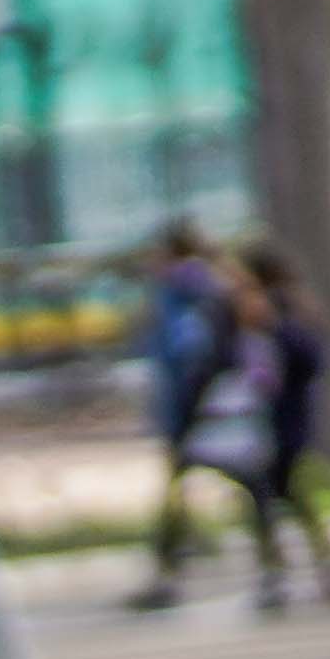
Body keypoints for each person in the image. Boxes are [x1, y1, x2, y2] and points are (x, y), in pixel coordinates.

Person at [180, 238, 330, 610]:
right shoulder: (236, 315)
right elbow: (223, 366)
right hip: (253, 427)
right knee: (265, 499)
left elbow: (307, 360)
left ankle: (320, 565)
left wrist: (271, 328)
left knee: (288, 495)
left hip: (284, 425)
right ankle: (281, 570)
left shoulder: (285, 312)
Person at [127, 224, 231, 610]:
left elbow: (186, 349)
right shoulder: (196, 289)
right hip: (195, 405)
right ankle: (172, 565)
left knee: (266, 484)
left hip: (193, 405)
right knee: (182, 490)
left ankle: (168, 571)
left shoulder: (184, 291)